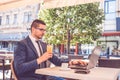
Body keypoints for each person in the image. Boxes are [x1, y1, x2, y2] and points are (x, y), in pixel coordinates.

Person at [14, 19, 86, 80]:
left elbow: (58, 62)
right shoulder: (22, 44)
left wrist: (72, 62)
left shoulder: (43, 45)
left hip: (45, 77)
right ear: (33, 29)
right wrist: (40, 59)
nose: (44, 33)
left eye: (45, 30)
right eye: (41, 30)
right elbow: (20, 68)